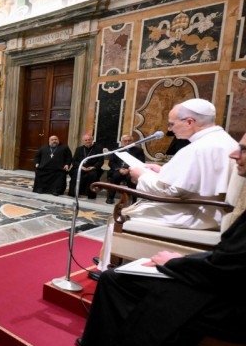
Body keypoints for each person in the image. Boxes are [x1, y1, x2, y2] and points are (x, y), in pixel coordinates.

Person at [77, 132, 246, 346]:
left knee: (163, 298)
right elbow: (232, 259)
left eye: (242, 150)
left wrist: (173, 263)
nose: (233, 154)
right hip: (223, 279)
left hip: (233, 300)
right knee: (114, 278)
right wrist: (183, 260)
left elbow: (227, 269)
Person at [97, 99, 239, 271]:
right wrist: (161, 170)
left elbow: (169, 190)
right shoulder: (225, 140)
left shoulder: (197, 148)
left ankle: (112, 267)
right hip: (212, 210)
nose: (170, 129)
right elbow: (191, 179)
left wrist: (141, 176)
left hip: (195, 213)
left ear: (190, 122)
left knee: (119, 216)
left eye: (172, 124)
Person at [105, 134, 146, 204]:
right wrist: (119, 169)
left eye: (129, 141)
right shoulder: (116, 150)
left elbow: (141, 163)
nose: (127, 142)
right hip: (119, 170)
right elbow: (111, 163)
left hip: (131, 170)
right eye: (125, 141)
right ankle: (110, 197)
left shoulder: (138, 151)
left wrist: (129, 170)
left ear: (132, 141)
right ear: (122, 142)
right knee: (115, 176)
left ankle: (133, 199)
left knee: (131, 178)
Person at [68, 133, 104, 200]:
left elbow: (100, 161)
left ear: (92, 140)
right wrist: (81, 167)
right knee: (76, 173)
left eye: (89, 140)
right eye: (86, 140)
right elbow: (74, 161)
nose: (87, 141)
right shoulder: (79, 149)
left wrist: (93, 167)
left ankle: (91, 195)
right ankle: (74, 193)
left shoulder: (98, 149)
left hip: (92, 168)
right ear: (83, 141)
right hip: (80, 167)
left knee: (93, 174)